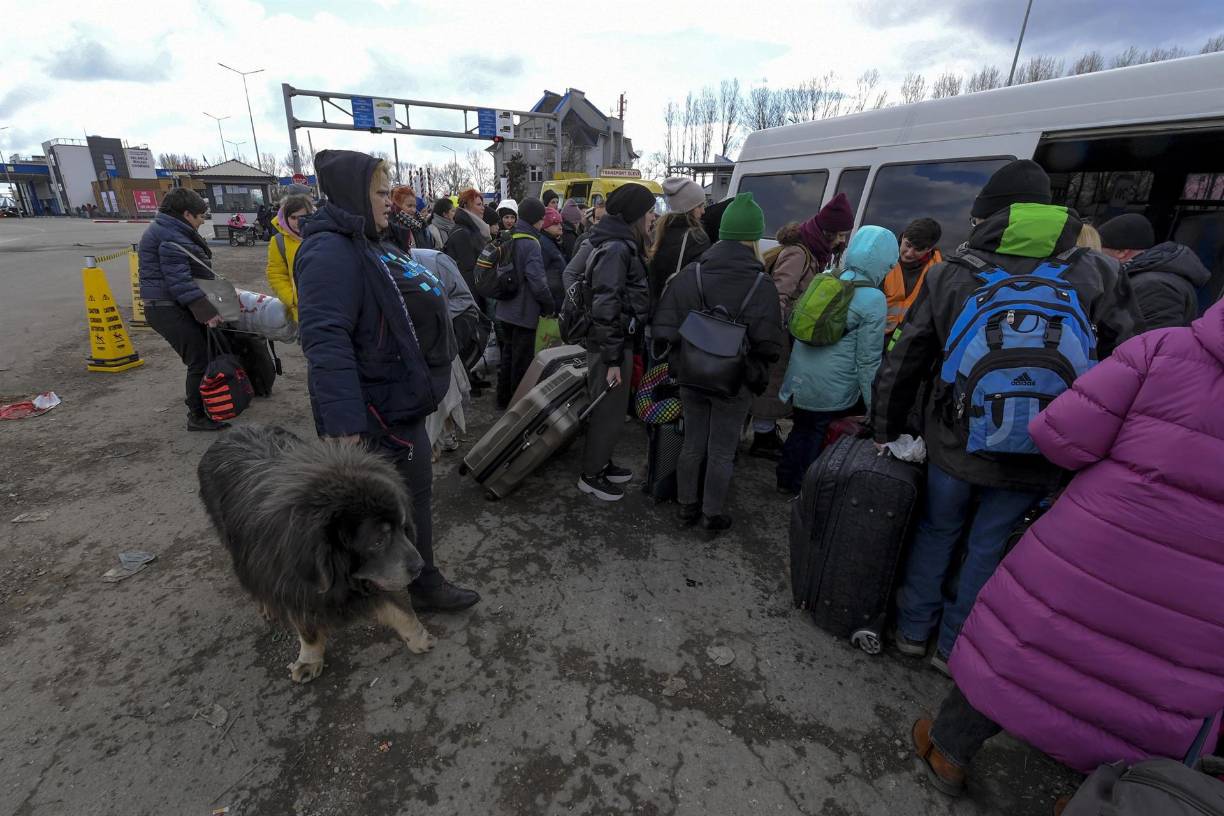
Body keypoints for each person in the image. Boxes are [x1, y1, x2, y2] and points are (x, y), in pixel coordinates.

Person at [913, 296, 1224, 796]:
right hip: (1208, 596)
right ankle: (1097, 799)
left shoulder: (1161, 349)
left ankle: (948, 752)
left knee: (1022, 648)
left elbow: (1059, 435)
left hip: (1096, 544)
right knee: (1148, 692)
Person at [872, 159, 1141, 671]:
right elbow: (1129, 363)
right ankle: (955, 647)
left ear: (990, 216)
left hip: (955, 440)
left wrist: (889, 429)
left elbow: (904, 359)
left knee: (937, 530)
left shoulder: (952, 272)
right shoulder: (1099, 272)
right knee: (990, 544)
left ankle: (911, 633)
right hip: (1043, 444)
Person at [295, 149, 479, 613]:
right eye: (379, 193)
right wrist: (345, 425)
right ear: (352, 194)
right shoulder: (328, 251)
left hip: (397, 401)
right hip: (376, 414)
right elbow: (326, 340)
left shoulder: (366, 240)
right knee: (387, 508)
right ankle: (410, 586)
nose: (388, 202)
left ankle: (410, 580)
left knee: (406, 501)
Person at [652, 192, 783, 529]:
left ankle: (686, 506)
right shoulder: (762, 284)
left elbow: (665, 326)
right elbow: (770, 344)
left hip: (692, 373)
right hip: (734, 380)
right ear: (754, 238)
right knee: (723, 450)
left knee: (693, 442)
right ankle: (712, 514)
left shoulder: (692, 274)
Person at [776, 226, 899, 495]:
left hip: (799, 377)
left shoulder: (827, 277)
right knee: (817, 436)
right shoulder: (873, 299)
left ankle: (785, 478)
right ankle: (804, 489)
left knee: (800, 427)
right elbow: (868, 360)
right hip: (830, 387)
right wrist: (872, 404)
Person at [749, 192, 855, 460]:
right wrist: (774, 333)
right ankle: (762, 438)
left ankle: (765, 433)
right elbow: (779, 294)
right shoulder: (799, 253)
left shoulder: (815, 250)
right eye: (840, 234)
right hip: (780, 331)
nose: (843, 240)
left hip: (788, 331)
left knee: (776, 384)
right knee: (771, 385)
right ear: (828, 231)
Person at [572, 183, 655, 502]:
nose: (652, 217)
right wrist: (610, 360)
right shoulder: (617, 248)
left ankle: (602, 463)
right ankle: (590, 475)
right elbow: (605, 305)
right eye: (649, 212)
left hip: (616, 342)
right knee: (607, 410)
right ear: (635, 214)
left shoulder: (620, 244)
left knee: (613, 408)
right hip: (610, 345)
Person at [139, 188, 227, 432]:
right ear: (187, 214)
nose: (202, 221)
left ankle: (206, 404)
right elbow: (179, 280)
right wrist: (206, 311)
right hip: (167, 308)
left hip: (170, 305)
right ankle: (197, 416)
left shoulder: (170, 230)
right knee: (199, 359)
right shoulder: (170, 236)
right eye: (200, 216)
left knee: (205, 355)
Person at [1099, 212, 1210, 330]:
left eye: (1099, 249)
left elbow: (1149, 343)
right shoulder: (1143, 278)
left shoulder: (1154, 286)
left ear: (1121, 252)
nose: (1095, 256)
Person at [494, 197, 553, 409]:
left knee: (508, 356)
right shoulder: (531, 243)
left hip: (504, 309)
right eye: (541, 219)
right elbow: (537, 281)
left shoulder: (508, 236)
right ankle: (518, 406)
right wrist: (548, 305)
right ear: (536, 220)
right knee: (522, 361)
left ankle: (503, 399)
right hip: (523, 312)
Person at [647, 177, 709, 309]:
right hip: (680, 312)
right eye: (700, 206)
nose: (703, 211)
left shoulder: (658, 231)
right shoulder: (697, 238)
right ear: (690, 208)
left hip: (655, 310)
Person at [882, 218, 942, 338]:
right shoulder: (881, 257)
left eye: (918, 249)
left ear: (929, 249)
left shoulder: (939, 271)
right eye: (908, 245)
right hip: (876, 335)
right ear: (903, 236)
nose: (909, 253)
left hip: (910, 342)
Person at [264, 193, 315, 322]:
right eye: (293, 217)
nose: (298, 222)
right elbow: (276, 274)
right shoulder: (279, 242)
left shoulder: (323, 235)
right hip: (303, 313)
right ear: (285, 217)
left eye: (303, 217)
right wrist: (292, 298)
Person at [443, 189, 490, 292]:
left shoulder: (473, 229)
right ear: (466, 206)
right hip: (470, 293)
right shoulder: (463, 232)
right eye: (479, 205)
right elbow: (467, 272)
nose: (483, 208)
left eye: (483, 204)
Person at [388, 186, 434, 250]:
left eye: (415, 206)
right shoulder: (392, 227)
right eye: (409, 206)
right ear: (397, 206)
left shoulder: (420, 224)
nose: (414, 210)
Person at [540, 206, 567, 307]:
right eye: (555, 223)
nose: (560, 227)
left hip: (556, 297)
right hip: (552, 300)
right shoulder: (544, 244)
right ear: (545, 225)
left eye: (560, 223)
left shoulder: (552, 242)